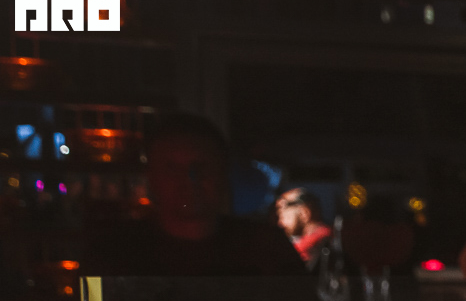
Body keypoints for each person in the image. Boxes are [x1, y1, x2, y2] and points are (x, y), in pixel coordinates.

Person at [85, 114, 306, 277]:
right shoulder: (113, 252)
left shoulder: (266, 248)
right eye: (172, 168)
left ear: (222, 173)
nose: (189, 179)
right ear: (151, 177)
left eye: (201, 167)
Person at [275, 187, 333, 265]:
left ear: (304, 213)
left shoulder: (319, 241)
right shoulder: (328, 236)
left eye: (283, 217)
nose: (280, 223)